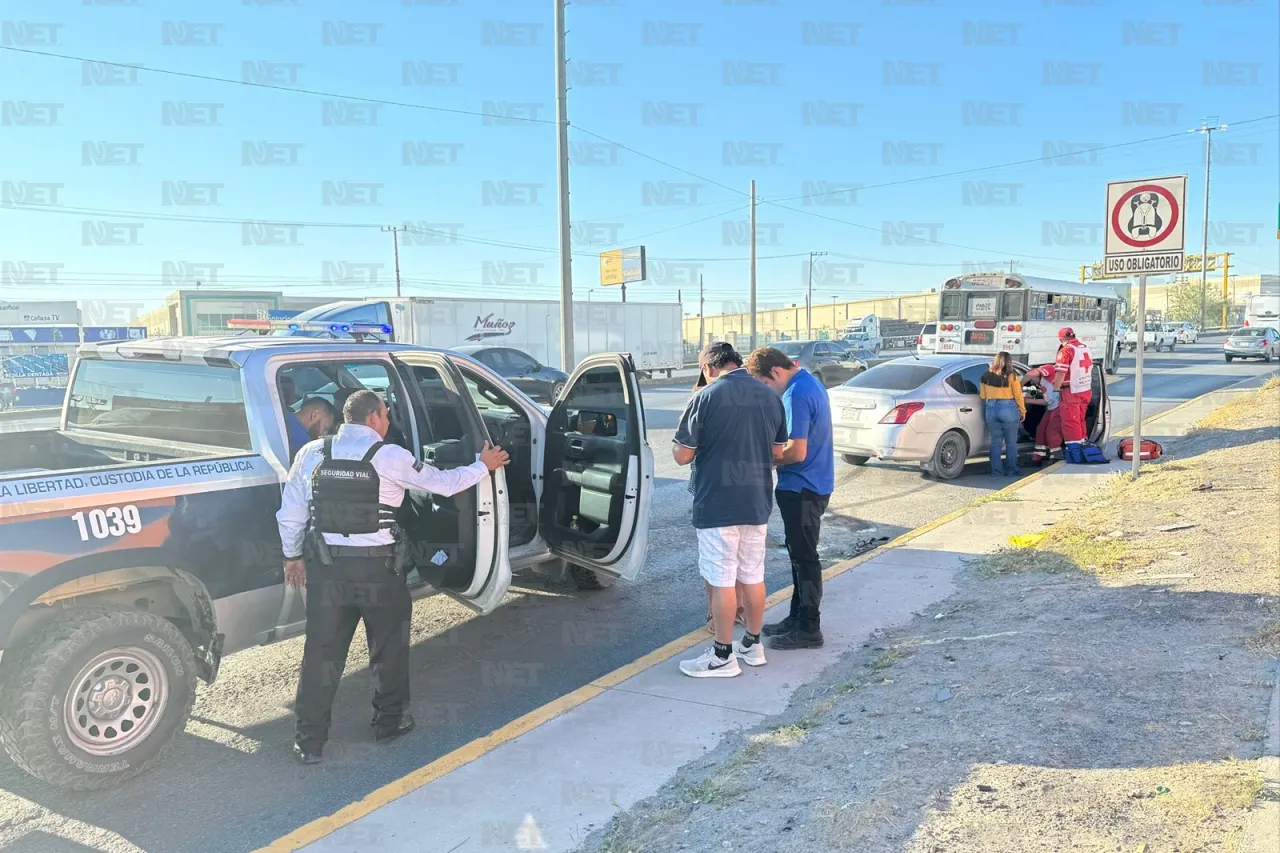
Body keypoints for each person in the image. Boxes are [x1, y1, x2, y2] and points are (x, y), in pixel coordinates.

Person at [277, 390, 510, 764]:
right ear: (374, 418)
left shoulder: (312, 454)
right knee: (388, 649)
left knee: (321, 653)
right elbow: (444, 484)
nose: (387, 422)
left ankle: (309, 740)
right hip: (378, 570)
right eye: (385, 415)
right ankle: (389, 723)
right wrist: (484, 465)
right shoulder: (389, 456)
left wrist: (292, 557)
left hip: (327, 570)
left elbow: (290, 515)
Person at [672, 342, 787, 678]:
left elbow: (683, 455)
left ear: (709, 367)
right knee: (753, 573)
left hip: (717, 502)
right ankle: (752, 644)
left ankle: (722, 655)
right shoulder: (769, 395)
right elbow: (778, 450)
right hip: (756, 500)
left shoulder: (704, 397)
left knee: (721, 577)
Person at [745, 346, 834, 651]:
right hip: (813, 484)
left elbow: (797, 451)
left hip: (803, 488)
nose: (766, 392)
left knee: (805, 559)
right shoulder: (808, 382)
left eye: (765, 384)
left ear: (775, 373)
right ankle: (797, 617)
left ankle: (809, 628)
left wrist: (765, 460)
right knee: (800, 557)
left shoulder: (794, 394)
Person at [978, 351, 1026, 477]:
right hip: (1008, 408)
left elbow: (983, 395)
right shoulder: (1011, 376)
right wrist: (1022, 410)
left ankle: (996, 471)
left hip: (990, 408)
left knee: (995, 442)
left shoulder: (985, 376)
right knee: (1011, 442)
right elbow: (1018, 395)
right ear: (1009, 361)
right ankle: (1012, 470)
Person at [1052, 327, 1094, 459]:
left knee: (1070, 422)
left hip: (1071, 391)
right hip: (1085, 389)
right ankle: (1083, 445)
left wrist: (1055, 389)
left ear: (1061, 339)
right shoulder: (1085, 347)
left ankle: (1075, 454)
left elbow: (1060, 372)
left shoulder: (1066, 351)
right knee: (1080, 420)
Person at [1022, 364, 1062, 464]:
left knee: (1052, 432)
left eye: (1032, 380)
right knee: (1041, 429)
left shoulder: (1047, 370)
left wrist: (1020, 385)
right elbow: (1046, 401)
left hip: (1059, 407)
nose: (1031, 383)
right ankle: (1038, 456)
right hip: (1051, 408)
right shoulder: (1043, 384)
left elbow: (1031, 373)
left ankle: (1056, 456)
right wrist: (1026, 400)